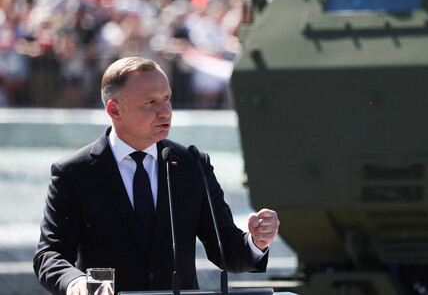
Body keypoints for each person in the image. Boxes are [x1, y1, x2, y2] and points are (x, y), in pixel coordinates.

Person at [33, 56, 280, 295]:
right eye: (150, 103)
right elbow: (50, 255)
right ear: (115, 110)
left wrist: (256, 241)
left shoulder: (192, 164)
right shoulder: (74, 172)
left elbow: (226, 250)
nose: (165, 111)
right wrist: (75, 282)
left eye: (167, 98)